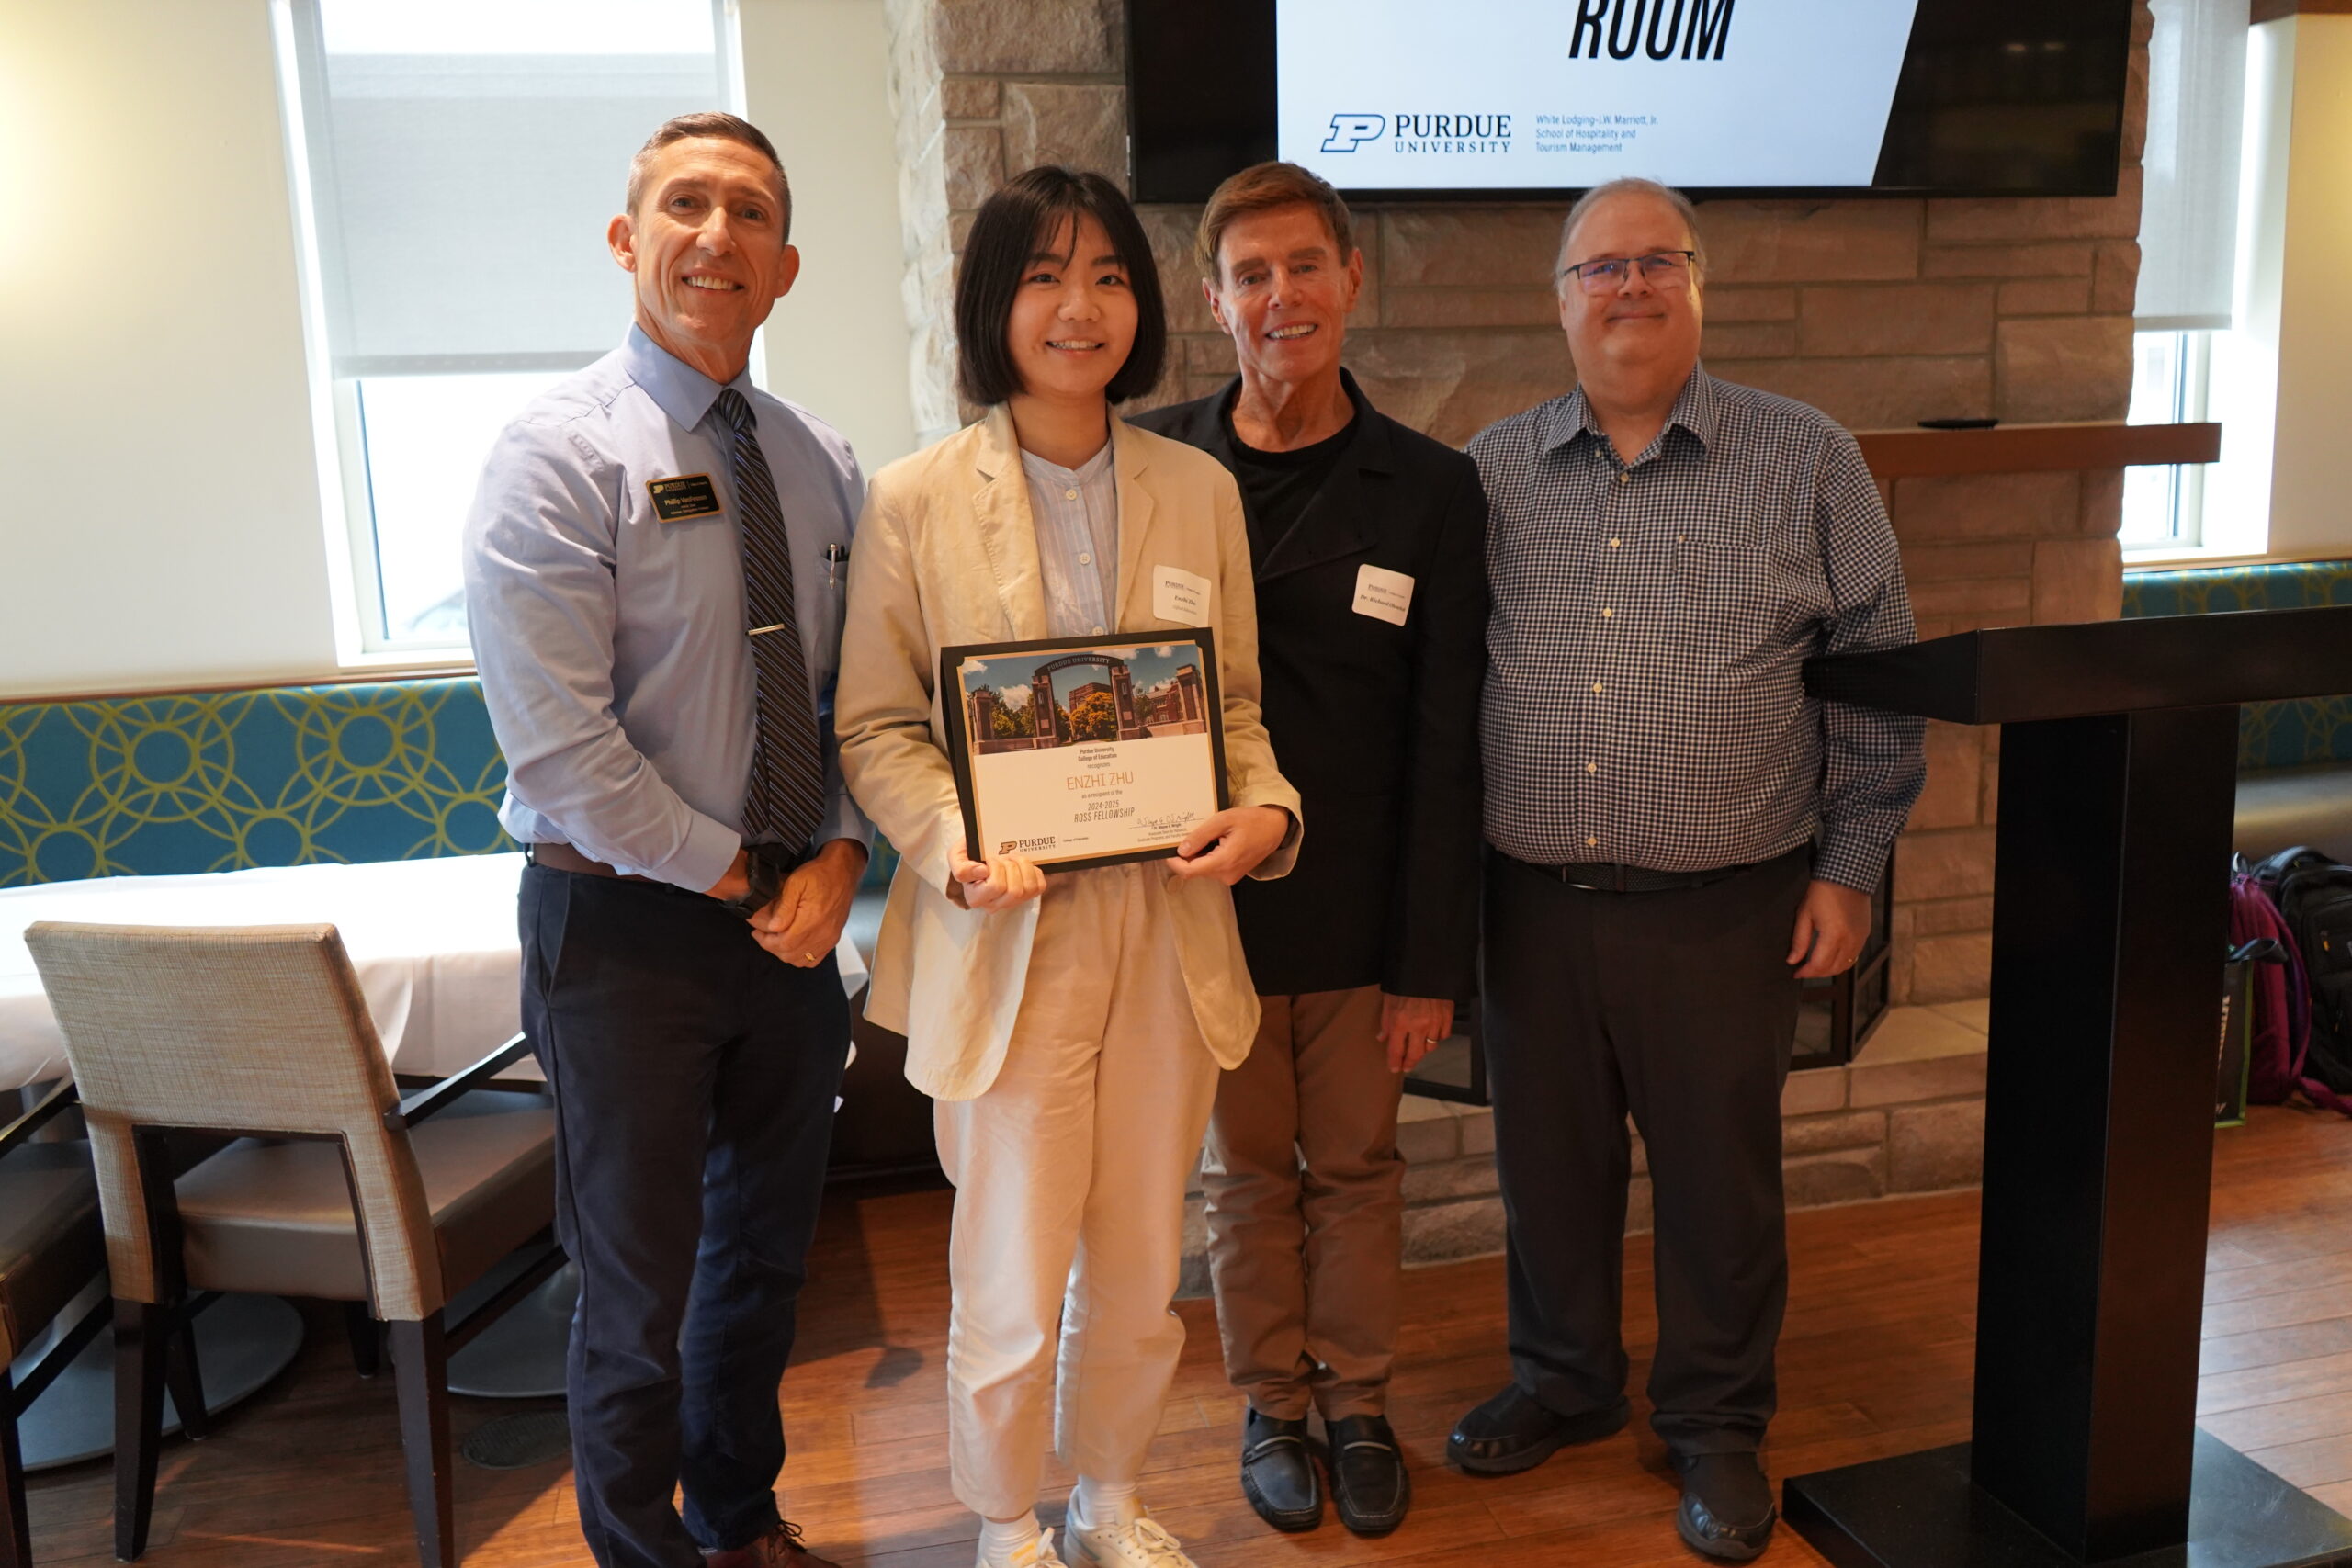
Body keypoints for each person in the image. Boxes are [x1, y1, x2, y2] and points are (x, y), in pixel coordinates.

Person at [1449, 176, 1926, 1562]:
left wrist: (1852, 863)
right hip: (1528, 904)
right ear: (1561, 299)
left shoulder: (1808, 458)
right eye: (1600, 267)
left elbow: (1877, 670)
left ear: (1700, 287)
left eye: (1658, 262)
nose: (1629, 288)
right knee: (1547, 1168)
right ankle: (1566, 1381)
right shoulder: (1489, 472)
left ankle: (1716, 1421)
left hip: (1731, 904)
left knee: (1721, 1177)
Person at [834, 165, 1302, 1568]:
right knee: (1011, 1270)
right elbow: (876, 723)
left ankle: (1110, 1496)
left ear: (1143, 307)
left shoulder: (1198, 489)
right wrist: (954, 842)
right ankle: (1003, 1518)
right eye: (1043, 275)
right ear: (996, 304)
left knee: (1144, 1269)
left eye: (1106, 274)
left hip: (1165, 930)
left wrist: (1265, 814)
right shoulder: (914, 501)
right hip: (1007, 933)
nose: (1078, 306)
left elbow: (1232, 717)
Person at [463, 112, 866, 1568]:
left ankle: (741, 1521)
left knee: (760, 1268)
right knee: (633, 1293)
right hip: (622, 933)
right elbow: (563, 756)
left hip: (790, 932)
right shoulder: (554, 459)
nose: (717, 234)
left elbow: (846, 703)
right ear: (630, 242)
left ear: (785, 266)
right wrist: (753, 874)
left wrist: (841, 856)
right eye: (683, 205)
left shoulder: (825, 466)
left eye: (748, 211)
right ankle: (638, 1551)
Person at [1129, 162, 1486, 1539]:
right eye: (1253, 275)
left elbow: (1447, 747)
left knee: (1355, 1171)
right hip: (1198, 908)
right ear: (1214, 301)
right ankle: (1272, 1402)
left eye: (1307, 268)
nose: (1284, 298)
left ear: (1352, 282)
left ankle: (1359, 1399)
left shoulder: (1430, 490)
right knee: (1245, 1176)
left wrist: (1428, 960)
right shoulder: (1153, 465)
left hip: (1358, 913)